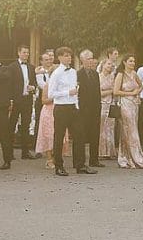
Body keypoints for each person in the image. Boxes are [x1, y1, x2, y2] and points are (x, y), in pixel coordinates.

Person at [49, 47, 89, 177]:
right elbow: (51, 94)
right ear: (59, 57)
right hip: (61, 108)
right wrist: (67, 92)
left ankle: (80, 165)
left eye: (70, 56)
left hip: (73, 107)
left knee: (79, 135)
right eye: (66, 56)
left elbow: (75, 90)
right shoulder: (56, 73)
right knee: (59, 137)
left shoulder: (73, 72)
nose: (69, 58)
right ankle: (58, 166)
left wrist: (76, 103)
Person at [113, 55, 143, 168]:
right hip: (125, 103)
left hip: (135, 104)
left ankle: (127, 156)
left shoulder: (134, 74)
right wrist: (131, 93)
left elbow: (141, 86)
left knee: (131, 129)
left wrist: (137, 91)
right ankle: (135, 158)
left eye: (134, 61)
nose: (132, 63)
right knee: (130, 130)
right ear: (124, 62)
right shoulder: (121, 74)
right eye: (130, 61)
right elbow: (116, 91)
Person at [74, 49, 103, 171]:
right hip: (82, 110)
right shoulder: (77, 74)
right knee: (80, 136)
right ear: (83, 60)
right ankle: (78, 161)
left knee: (95, 134)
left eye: (92, 58)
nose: (91, 61)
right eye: (89, 59)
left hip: (95, 108)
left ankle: (94, 159)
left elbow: (97, 92)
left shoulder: (95, 74)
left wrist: (99, 106)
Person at [12, 46, 37, 160]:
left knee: (26, 125)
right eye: (24, 52)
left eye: (27, 52)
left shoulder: (31, 67)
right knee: (11, 125)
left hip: (27, 99)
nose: (26, 54)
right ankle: (9, 153)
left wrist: (33, 87)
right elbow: (9, 84)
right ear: (19, 53)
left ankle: (25, 152)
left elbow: (34, 83)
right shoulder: (12, 67)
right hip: (16, 100)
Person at [98, 53, 117, 163]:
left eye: (111, 65)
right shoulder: (99, 77)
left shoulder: (112, 77)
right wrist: (111, 91)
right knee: (102, 128)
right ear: (103, 65)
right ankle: (101, 151)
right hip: (102, 104)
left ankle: (110, 151)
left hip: (111, 103)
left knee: (110, 127)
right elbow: (98, 93)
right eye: (108, 64)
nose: (110, 66)